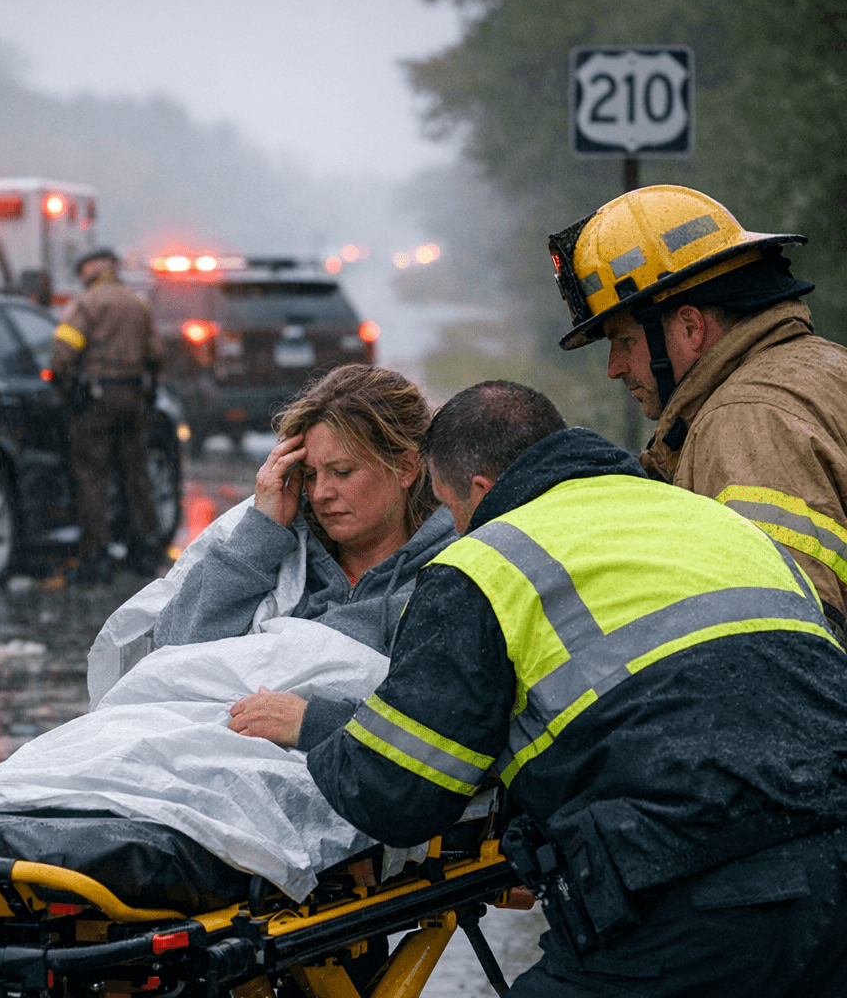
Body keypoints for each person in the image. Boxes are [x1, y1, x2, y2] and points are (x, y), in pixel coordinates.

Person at [298, 380, 847, 995]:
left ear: (479, 492)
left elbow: (396, 792)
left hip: (697, 898)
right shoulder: (720, 522)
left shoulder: (485, 563)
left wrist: (312, 725)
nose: (454, 529)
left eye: (449, 509)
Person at [549, 184, 847, 638]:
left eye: (624, 341)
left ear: (690, 327)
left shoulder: (744, 424)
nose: (614, 369)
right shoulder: (826, 365)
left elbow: (783, 639)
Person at [160, 364, 457, 749]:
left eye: (342, 471)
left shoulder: (451, 574)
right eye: (311, 475)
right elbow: (172, 657)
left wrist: (312, 722)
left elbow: (445, 727)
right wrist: (262, 530)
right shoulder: (286, 554)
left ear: (404, 468)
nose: (320, 494)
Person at [49, 246, 165, 585]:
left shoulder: (88, 303)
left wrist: (67, 386)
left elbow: (63, 350)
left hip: (97, 402)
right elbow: (157, 353)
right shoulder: (138, 303)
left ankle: (96, 556)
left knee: (92, 476)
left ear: (92, 270)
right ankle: (143, 550)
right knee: (136, 474)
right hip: (134, 397)